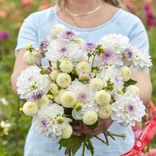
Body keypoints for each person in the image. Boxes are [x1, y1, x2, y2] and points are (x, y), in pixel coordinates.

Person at [11, 0, 152, 156]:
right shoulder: (36, 22)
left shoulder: (129, 24)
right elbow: (19, 78)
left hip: (112, 150)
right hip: (47, 147)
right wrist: (55, 97)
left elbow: (143, 87)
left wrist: (108, 111)